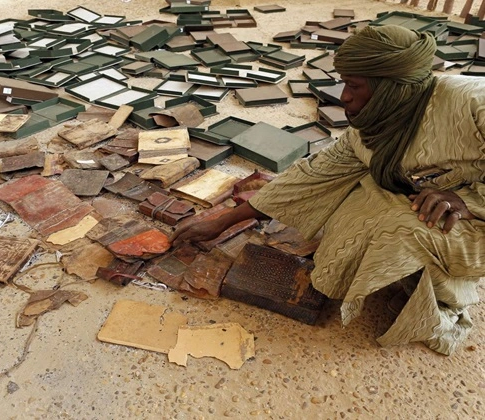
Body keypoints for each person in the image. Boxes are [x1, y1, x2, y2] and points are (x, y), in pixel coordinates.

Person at [171, 25, 485, 355]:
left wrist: (465, 200)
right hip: (427, 204)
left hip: (473, 221)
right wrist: (224, 220)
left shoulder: (471, 102)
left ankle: (443, 301)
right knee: (350, 195)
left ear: (390, 86)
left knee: (394, 225)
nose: (344, 96)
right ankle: (403, 272)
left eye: (354, 85)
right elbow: (313, 174)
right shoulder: (376, 122)